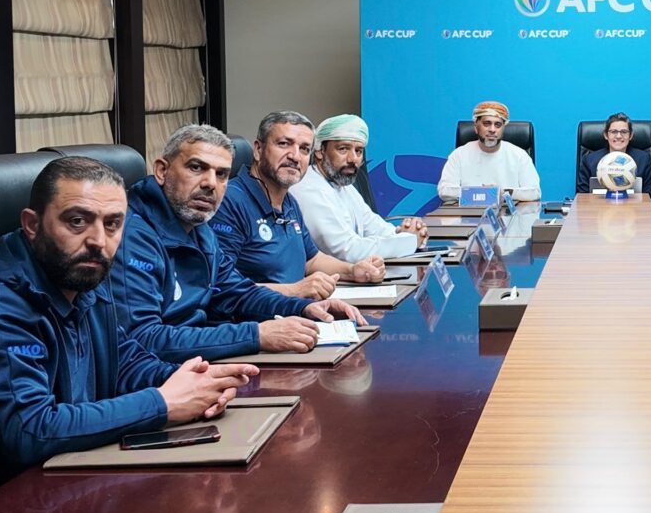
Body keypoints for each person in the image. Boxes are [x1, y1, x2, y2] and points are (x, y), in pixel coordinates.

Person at [0, 156, 260, 513]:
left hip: (54, 491)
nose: (98, 241)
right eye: (77, 221)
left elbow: (124, 360)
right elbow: (31, 428)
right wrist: (164, 402)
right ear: (32, 225)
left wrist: (195, 384)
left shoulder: (81, 277)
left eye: (113, 224)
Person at [118, 124, 365, 363]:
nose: (210, 183)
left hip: (198, 360)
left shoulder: (199, 228)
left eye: (221, 174)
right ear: (162, 171)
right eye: (196, 167)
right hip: (161, 375)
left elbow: (238, 293)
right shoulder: (132, 236)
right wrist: (256, 335)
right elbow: (142, 338)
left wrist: (303, 308)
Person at [212, 110, 387, 297]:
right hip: (259, 315)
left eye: (304, 149)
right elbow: (220, 286)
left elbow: (311, 260)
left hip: (297, 310)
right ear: (258, 150)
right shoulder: (229, 201)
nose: (295, 156)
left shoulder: (289, 202)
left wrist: (352, 271)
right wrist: (295, 290)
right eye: (284, 144)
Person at [290, 113, 429, 260]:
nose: (353, 159)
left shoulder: (345, 186)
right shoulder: (308, 188)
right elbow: (347, 250)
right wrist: (409, 240)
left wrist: (406, 233)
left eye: (358, 151)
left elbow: (375, 226)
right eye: (343, 149)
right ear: (320, 151)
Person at [438, 100, 541, 201]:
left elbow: (534, 192)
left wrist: (502, 193)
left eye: (498, 125)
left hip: (507, 210)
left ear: (503, 128)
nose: (492, 130)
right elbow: (444, 191)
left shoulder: (519, 155)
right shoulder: (459, 155)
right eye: (487, 124)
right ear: (476, 127)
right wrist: (481, 193)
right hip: (469, 210)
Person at [579, 112, 651, 196]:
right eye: (614, 132)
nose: (619, 136)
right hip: (597, 204)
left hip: (634, 204)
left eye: (624, 132)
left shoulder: (643, 160)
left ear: (630, 135)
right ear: (606, 135)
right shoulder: (589, 161)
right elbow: (581, 196)